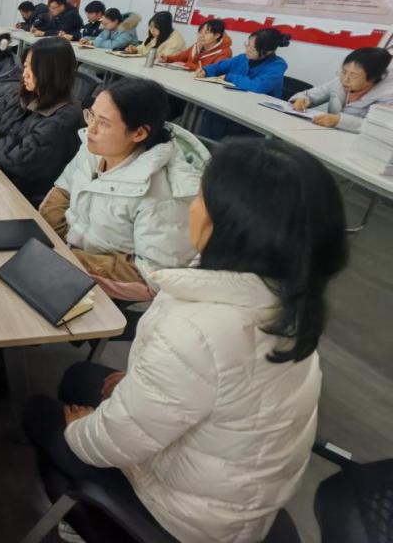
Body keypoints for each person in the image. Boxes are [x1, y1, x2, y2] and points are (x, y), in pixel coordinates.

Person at [24, 139, 348, 543]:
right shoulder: (289, 298)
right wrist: (137, 385)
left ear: (227, 225)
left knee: (40, 415)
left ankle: (90, 523)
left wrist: (77, 430)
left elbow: (111, 443)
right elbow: (207, 386)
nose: (191, 207)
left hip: (188, 518)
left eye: (200, 199)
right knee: (80, 377)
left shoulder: (199, 328)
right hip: (234, 494)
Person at [39, 79, 208, 301]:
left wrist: (64, 259)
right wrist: (42, 241)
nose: (91, 128)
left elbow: (151, 276)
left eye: (104, 123)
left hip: (106, 290)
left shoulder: (164, 196)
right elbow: (64, 189)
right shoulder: (96, 148)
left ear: (139, 134)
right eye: (91, 115)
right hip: (65, 259)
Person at [0, 38, 83, 207]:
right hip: (3, 179)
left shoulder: (64, 118)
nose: (24, 74)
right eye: (25, 66)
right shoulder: (32, 96)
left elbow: (19, 161)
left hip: (23, 198)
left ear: (52, 72)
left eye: (32, 68)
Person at [290, 47, 393, 132]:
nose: (345, 79)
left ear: (372, 78)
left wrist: (340, 121)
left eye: (353, 75)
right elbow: (308, 95)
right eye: (344, 71)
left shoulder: (387, 97)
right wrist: (301, 99)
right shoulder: (338, 82)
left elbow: (380, 128)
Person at [196, 27, 290, 97]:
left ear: (269, 51)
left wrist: (229, 77)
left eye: (253, 49)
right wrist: (205, 71)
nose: (247, 50)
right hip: (235, 101)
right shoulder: (242, 58)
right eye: (247, 45)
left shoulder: (277, 65)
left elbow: (259, 86)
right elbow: (219, 67)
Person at [161, 17, 232, 71]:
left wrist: (188, 65)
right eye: (200, 32)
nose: (201, 36)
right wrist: (167, 59)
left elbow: (212, 71)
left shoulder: (224, 53)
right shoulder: (198, 45)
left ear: (217, 35)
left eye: (206, 33)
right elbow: (181, 56)